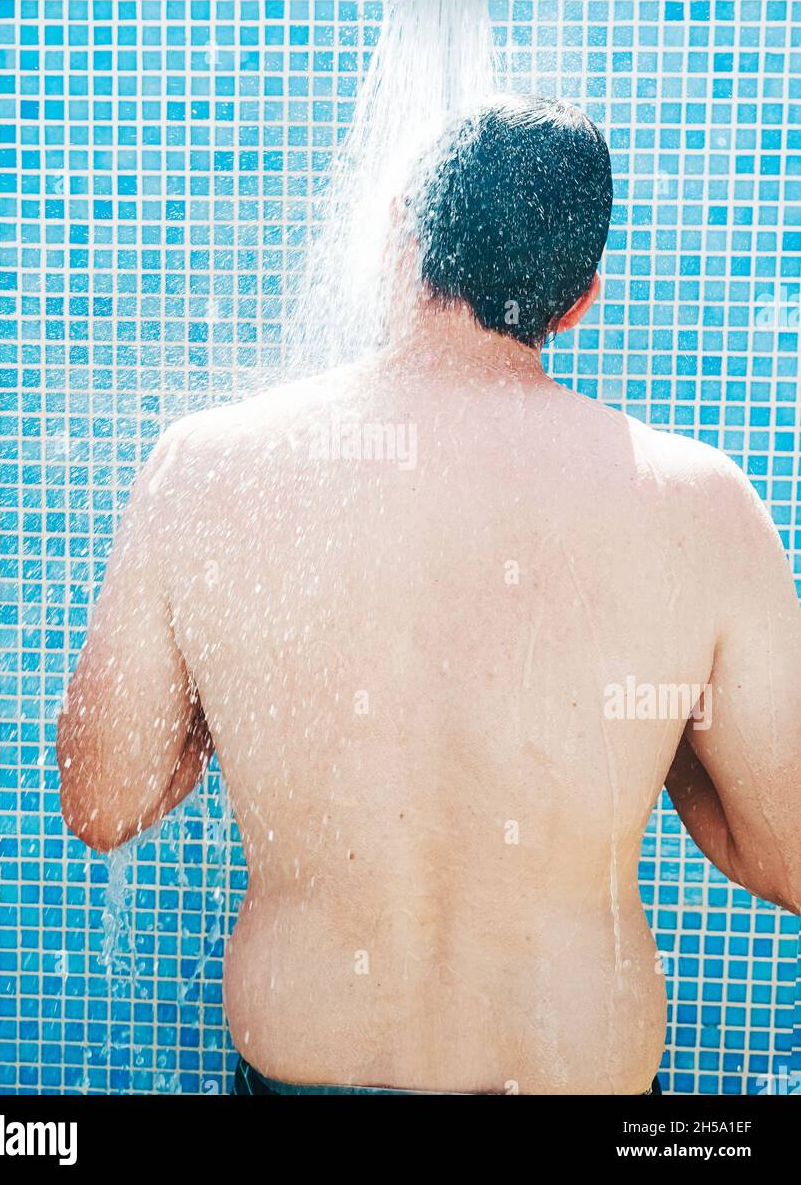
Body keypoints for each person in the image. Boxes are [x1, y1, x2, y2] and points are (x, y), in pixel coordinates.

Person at [57, 96, 801, 1095]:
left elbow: (101, 801)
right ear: (577, 301)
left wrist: (224, 704)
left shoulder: (206, 469)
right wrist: (660, 750)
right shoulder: (699, 506)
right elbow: (786, 855)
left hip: (304, 1072)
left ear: (398, 233)